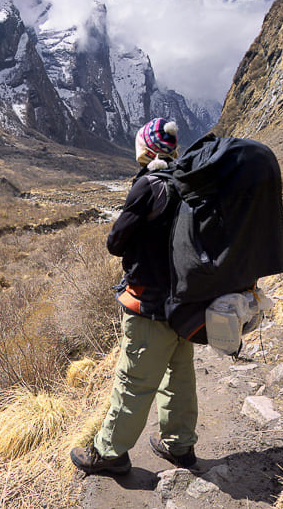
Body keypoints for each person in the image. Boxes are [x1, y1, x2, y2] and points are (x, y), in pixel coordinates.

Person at [70, 118, 198, 475]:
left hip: (150, 302)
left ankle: (109, 453)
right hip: (186, 301)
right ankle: (180, 446)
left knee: (134, 379)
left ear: (145, 149)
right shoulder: (185, 181)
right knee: (179, 375)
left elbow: (116, 241)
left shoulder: (148, 185)